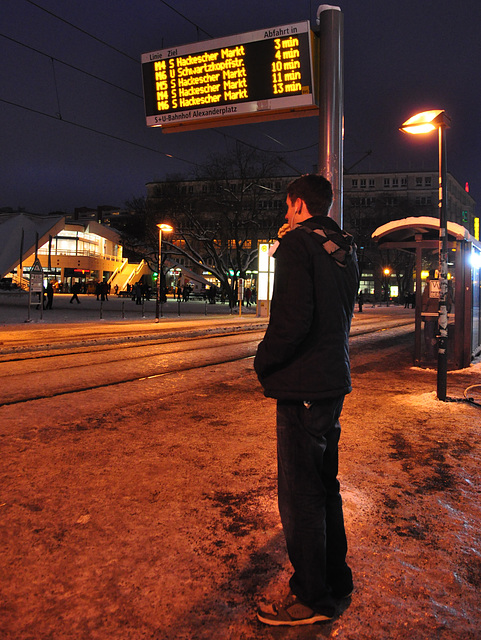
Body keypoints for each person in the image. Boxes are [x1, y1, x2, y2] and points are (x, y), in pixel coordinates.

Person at [254, 174, 359, 627]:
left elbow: (291, 321)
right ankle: (337, 578)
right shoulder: (344, 248)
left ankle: (313, 598)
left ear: (299, 205)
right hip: (331, 384)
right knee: (325, 488)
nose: (285, 214)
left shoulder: (298, 245)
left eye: (287, 206)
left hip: (303, 390)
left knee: (300, 498)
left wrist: (264, 362)